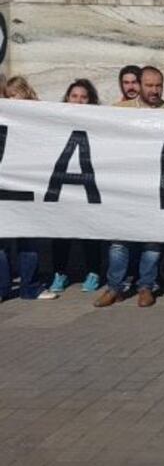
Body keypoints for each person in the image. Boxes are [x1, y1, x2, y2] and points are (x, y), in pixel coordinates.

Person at [97, 70, 164, 307]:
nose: (154, 90)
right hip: (125, 189)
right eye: (149, 85)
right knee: (119, 242)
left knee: (152, 243)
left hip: (156, 190)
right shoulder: (118, 111)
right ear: (139, 85)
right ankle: (114, 288)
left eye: (158, 85)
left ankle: (146, 287)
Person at [0, 76, 58, 300]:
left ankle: (29, 286)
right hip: (5, 185)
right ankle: (6, 288)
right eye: (9, 95)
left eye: (16, 94)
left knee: (29, 239)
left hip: (28, 186)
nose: (13, 99)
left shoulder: (36, 115)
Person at [49, 79, 104, 293]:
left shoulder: (98, 121)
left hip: (89, 183)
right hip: (62, 184)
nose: (78, 101)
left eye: (83, 97)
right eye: (74, 96)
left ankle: (93, 272)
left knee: (89, 232)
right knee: (60, 233)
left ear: (90, 100)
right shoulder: (55, 120)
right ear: (67, 98)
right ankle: (59, 273)